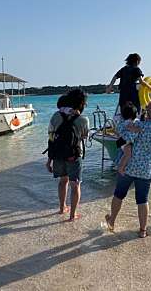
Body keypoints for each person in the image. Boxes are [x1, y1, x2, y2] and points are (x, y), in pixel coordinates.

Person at [105, 99, 151, 238]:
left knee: (119, 194)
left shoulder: (137, 125)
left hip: (129, 167)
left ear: (147, 112)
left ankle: (111, 222)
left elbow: (123, 139)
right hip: (146, 169)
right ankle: (143, 230)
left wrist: (120, 140)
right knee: (142, 200)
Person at [46, 89, 89, 221]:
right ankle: (72, 215)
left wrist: (49, 160)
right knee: (75, 185)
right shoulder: (83, 119)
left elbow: (51, 137)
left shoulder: (55, 116)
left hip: (58, 155)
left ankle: (62, 208)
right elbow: (85, 136)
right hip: (74, 156)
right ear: (81, 104)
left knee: (62, 181)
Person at [116, 102, 142, 175]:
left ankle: (121, 166)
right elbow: (133, 129)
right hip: (125, 141)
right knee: (128, 155)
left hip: (122, 141)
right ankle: (121, 168)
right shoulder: (130, 122)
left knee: (126, 154)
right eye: (137, 113)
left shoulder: (123, 121)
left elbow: (118, 130)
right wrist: (137, 129)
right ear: (133, 114)